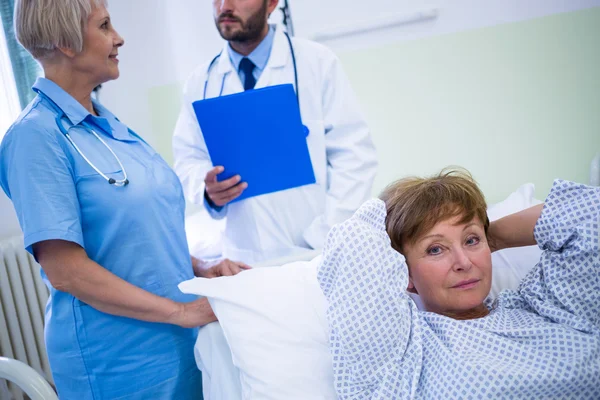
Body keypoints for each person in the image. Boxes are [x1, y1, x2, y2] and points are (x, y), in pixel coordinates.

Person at [0, 1, 247, 398]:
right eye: (105, 26)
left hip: (174, 342)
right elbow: (67, 271)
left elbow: (137, 235)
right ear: (65, 41)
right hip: (117, 361)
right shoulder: (35, 137)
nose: (119, 38)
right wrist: (182, 312)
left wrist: (201, 268)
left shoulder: (109, 126)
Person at [318, 169, 600, 399]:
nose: (464, 261)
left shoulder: (546, 307)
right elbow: (353, 242)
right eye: (435, 249)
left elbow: (591, 212)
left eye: (471, 241)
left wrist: (493, 237)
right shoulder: (400, 360)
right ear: (404, 275)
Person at [173, 0, 378, 263]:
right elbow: (188, 159)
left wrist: (328, 232)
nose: (225, 6)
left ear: (271, 3)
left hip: (318, 251)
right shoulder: (200, 81)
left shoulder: (317, 62)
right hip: (243, 259)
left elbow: (355, 157)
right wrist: (207, 188)